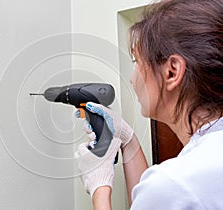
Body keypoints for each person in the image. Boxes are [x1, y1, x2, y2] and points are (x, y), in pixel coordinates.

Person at [75, 0, 223, 209]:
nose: (132, 79)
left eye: (136, 62)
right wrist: (129, 140)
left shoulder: (177, 184)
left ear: (172, 71)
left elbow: (164, 193)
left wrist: (99, 187)